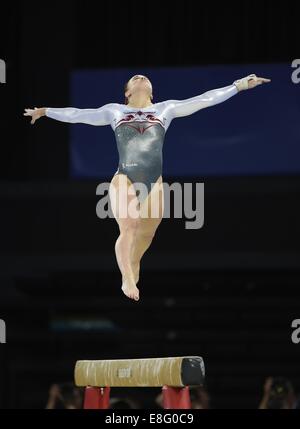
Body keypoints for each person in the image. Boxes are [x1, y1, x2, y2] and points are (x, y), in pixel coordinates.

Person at [24, 73, 271, 302]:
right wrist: (46, 111)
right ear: (128, 93)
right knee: (129, 226)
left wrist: (238, 86)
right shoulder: (115, 111)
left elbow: (204, 99)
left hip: (155, 180)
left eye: (144, 78)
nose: (140, 77)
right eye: (134, 78)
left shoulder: (167, 109)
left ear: (151, 92)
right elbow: (78, 114)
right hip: (125, 176)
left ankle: (133, 264)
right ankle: (126, 278)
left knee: (146, 234)